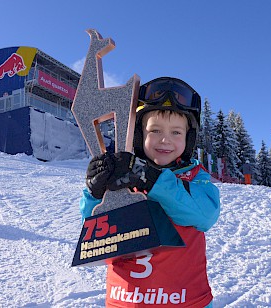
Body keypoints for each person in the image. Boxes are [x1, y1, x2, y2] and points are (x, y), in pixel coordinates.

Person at [80, 77, 221, 307]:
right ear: (139, 135)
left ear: (189, 138)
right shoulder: (121, 175)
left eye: (176, 132)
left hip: (187, 301)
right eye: (155, 130)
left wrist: (152, 179)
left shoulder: (194, 177)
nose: (165, 139)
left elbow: (205, 215)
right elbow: (94, 236)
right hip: (125, 300)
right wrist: (95, 193)